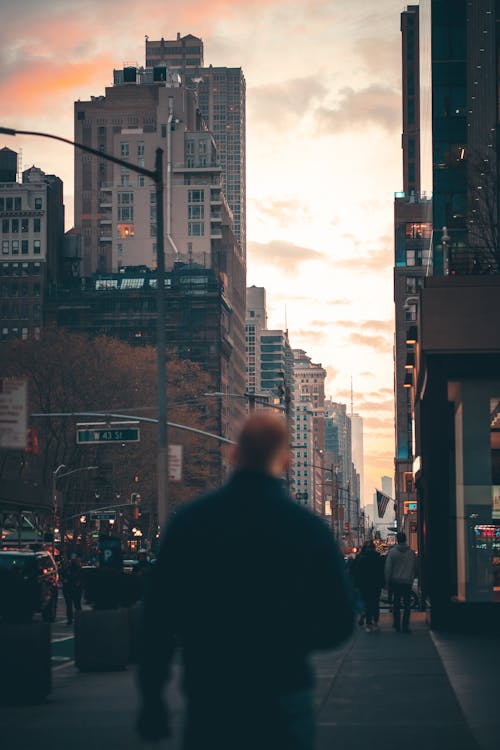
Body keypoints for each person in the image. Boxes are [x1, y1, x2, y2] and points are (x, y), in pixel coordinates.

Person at [137, 413, 354, 749]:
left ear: (233, 455)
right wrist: (289, 641)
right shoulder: (307, 530)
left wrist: (152, 698)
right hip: (284, 692)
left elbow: (157, 618)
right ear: (285, 461)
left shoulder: (192, 523)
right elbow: (339, 619)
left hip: (212, 696)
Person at [385, 532, 418, 633]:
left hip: (396, 581)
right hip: (407, 581)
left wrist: (387, 581)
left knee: (396, 603)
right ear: (406, 539)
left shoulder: (392, 552)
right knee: (407, 604)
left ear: (397, 540)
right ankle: (405, 625)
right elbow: (415, 567)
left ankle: (397, 624)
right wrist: (413, 576)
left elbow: (388, 568)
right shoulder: (411, 553)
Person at [353, 541, 384, 632]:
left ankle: (368, 624)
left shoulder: (362, 559)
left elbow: (358, 574)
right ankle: (376, 623)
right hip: (376, 585)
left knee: (367, 604)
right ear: (374, 548)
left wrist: (357, 585)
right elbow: (382, 572)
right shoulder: (379, 558)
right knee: (375, 603)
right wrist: (383, 583)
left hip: (365, 585)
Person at [61, 553, 83, 625]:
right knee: (76, 605)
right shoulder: (78, 569)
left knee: (70, 605)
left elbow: (63, 577)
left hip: (69, 589)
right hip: (74, 589)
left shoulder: (68, 569)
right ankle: (78, 619)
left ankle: (71, 619)